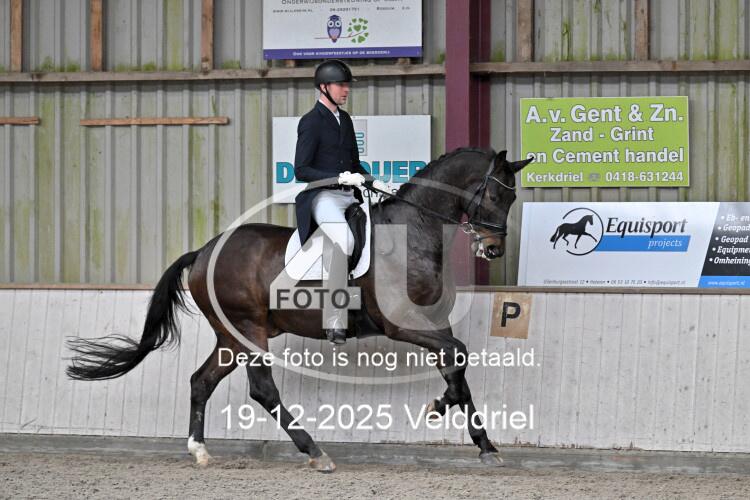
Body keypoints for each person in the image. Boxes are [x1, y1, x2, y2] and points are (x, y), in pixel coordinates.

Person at [293, 59, 388, 345]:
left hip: (350, 195)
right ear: (324, 87)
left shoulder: (344, 119)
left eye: (347, 86)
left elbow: (355, 164)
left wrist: (372, 181)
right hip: (324, 197)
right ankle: (334, 318)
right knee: (344, 242)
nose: (346, 90)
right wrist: (338, 177)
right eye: (341, 85)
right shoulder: (310, 122)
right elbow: (301, 170)